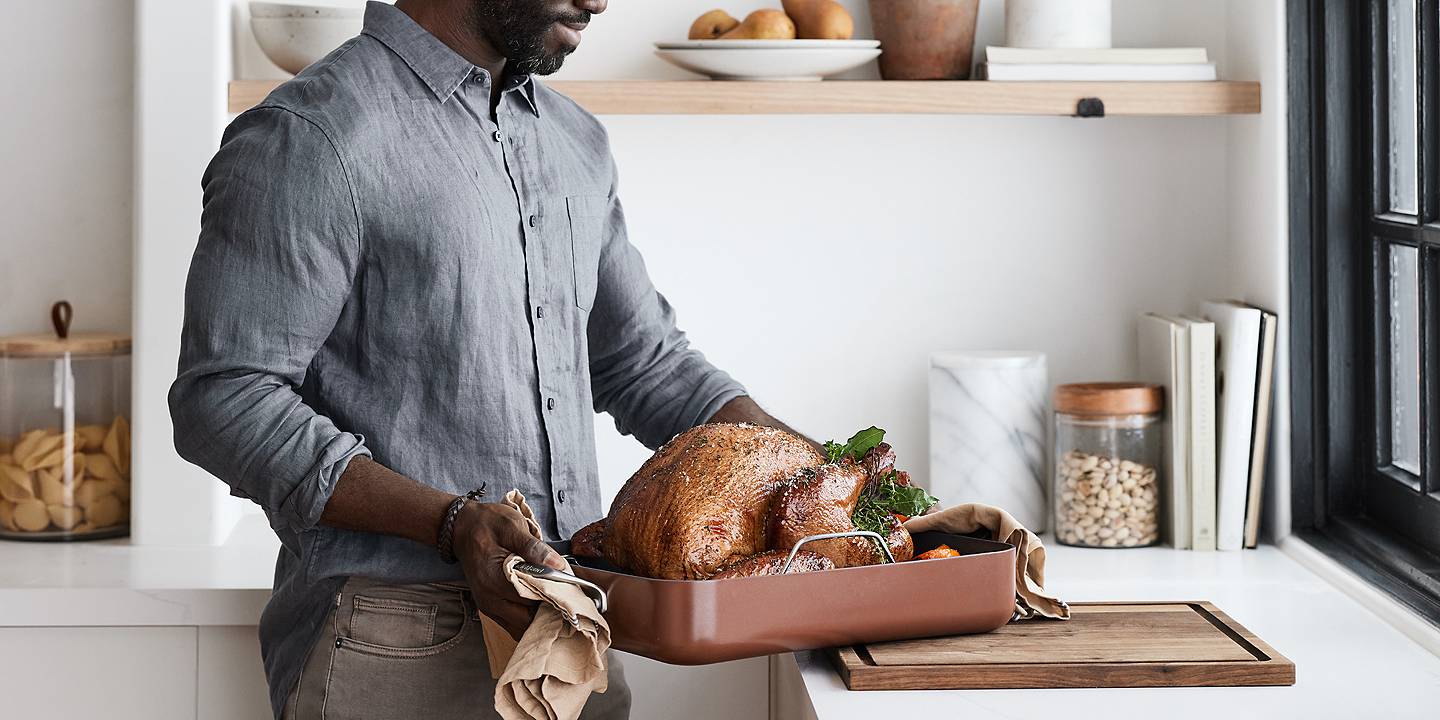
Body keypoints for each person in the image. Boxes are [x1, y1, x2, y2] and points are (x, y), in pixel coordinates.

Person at [168, 1, 808, 718]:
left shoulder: (575, 142)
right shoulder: (312, 135)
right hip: (392, 641)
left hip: (575, 631)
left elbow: (645, 364)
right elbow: (223, 398)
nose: (600, 1)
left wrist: (825, 478)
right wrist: (451, 523)